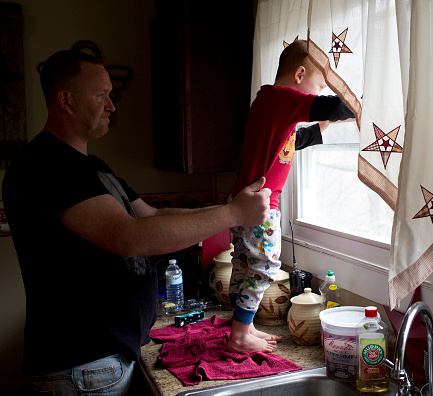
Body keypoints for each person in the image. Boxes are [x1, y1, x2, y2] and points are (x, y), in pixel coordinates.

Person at [1, 50, 271, 395]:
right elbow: (129, 237)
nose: (112, 105)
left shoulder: (92, 167)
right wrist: (234, 214)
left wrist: (232, 210)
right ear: (65, 100)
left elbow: (154, 216)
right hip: (83, 368)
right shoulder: (44, 165)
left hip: (105, 361)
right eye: (101, 95)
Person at [227, 40, 355, 353]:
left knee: (246, 264)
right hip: (259, 206)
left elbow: (295, 141)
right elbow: (333, 105)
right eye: (320, 83)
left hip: (244, 202)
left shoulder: (271, 105)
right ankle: (240, 335)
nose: (319, 90)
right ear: (299, 75)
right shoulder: (281, 98)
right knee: (263, 264)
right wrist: (359, 106)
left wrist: (325, 125)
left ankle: (243, 326)